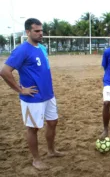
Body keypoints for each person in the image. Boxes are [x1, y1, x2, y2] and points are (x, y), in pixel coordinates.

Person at [0, 18, 64, 170]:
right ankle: (36, 159)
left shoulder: (42, 47)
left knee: (53, 122)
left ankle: (51, 151)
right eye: (36, 31)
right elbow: (4, 71)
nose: (40, 33)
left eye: (41, 30)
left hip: (49, 95)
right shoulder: (22, 50)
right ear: (28, 32)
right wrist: (20, 89)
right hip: (33, 98)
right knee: (33, 128)